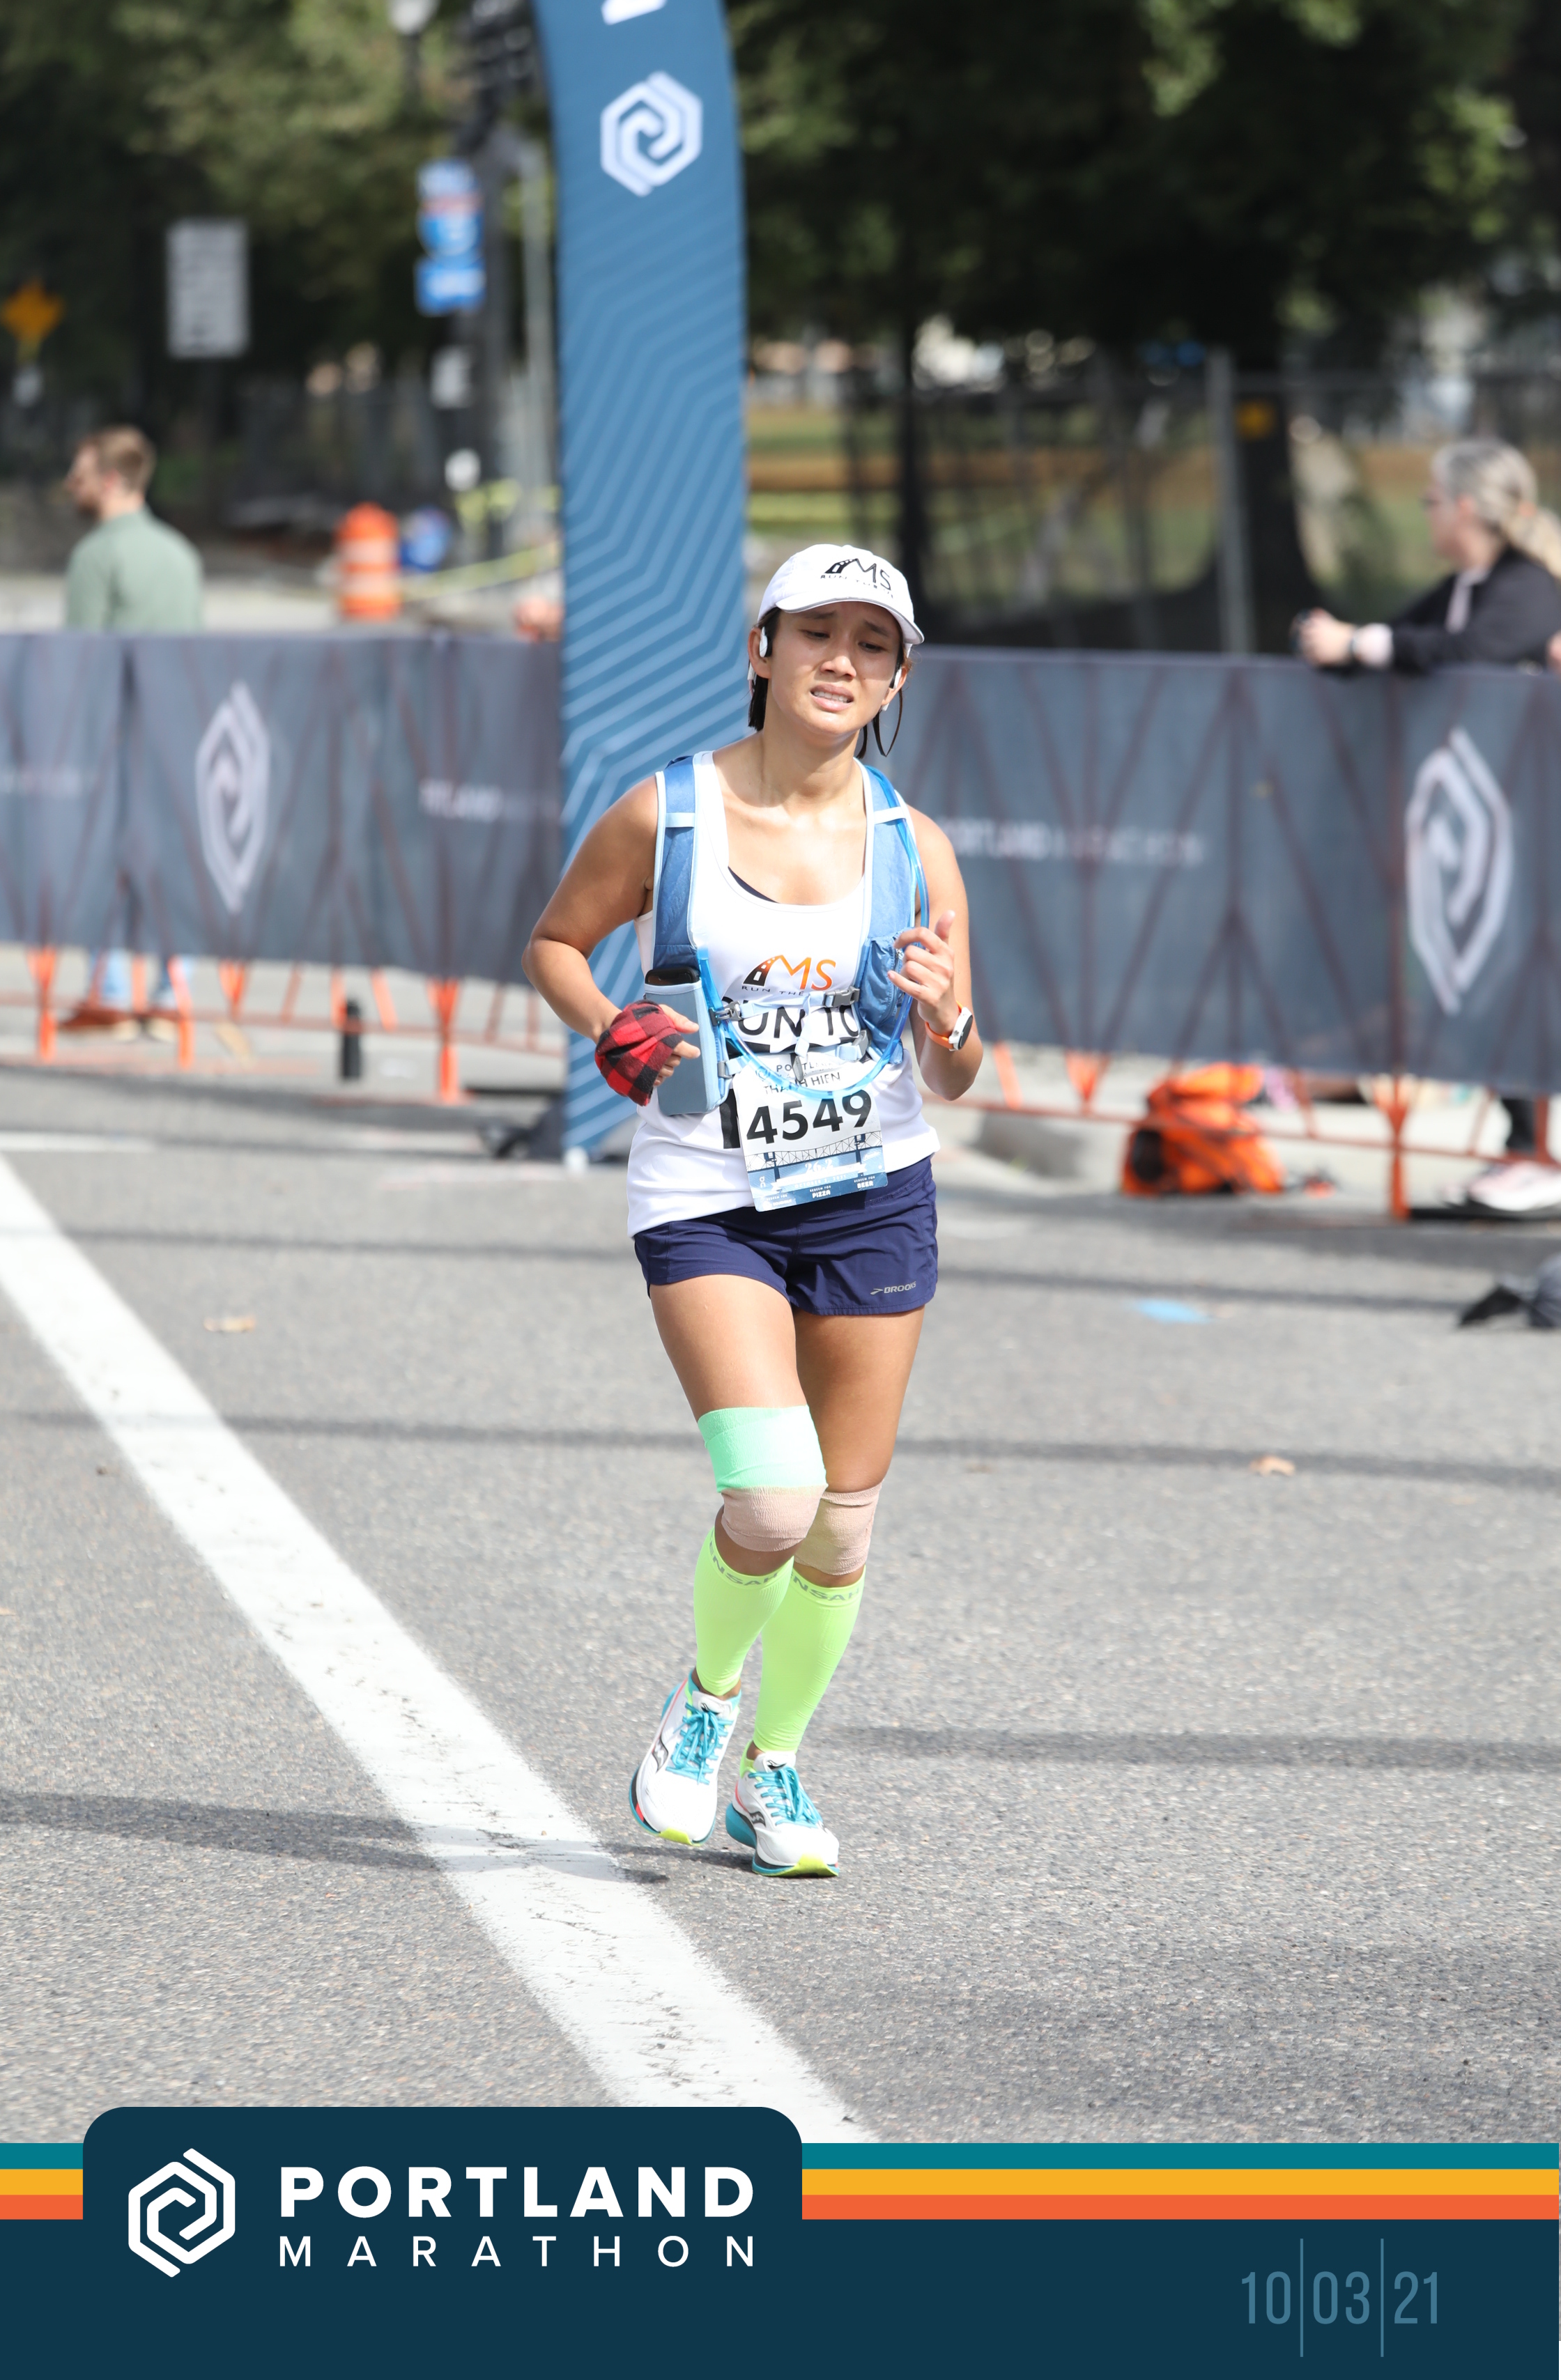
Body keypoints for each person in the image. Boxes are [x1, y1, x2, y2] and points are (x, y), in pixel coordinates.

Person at [523, 544, 982, 1878]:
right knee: (775, 1502)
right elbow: (556, 943)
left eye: (874, 644)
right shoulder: (669, 816)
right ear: (761, 649)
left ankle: (772, 1771)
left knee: (843, 1522)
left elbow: (958, 1069)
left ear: (898, 679)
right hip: (707, 1193)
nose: (844, 660)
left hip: (874, 1194)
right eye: (818, 632)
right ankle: (704, 1705)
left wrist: (949, 1015)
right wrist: (609, 1026)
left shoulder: (915, 848)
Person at [1299, 438, 1561, 1165]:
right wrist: (1338, 645)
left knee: (1520, 980)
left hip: (1532, 823)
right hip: (1481, 825)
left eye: (1432, 500)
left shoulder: (1527, 586)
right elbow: (1396, 640)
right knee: (1484, 978)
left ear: (1467, 508)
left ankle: (1535, 1151)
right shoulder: (1462, 586)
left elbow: (1467, 651)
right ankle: (1524, 1147)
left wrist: (1362, 645)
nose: (1426, 513)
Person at [61, 426, 201, 1035]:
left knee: (103, 863)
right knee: (172, 864)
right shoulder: (181, 553)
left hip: (116, 734)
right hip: (180, 728)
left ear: (111, 480)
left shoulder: (96, 556)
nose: (72, 484)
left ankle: (110, 991)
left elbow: (79, 660)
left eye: (81, 473)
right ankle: (174, 995)